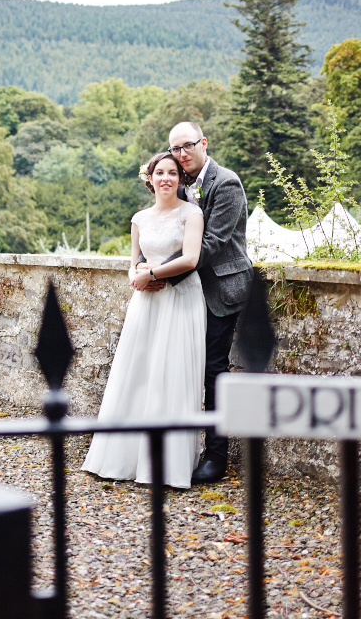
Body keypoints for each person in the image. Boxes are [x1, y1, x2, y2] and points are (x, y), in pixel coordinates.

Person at [81, 152, 207, 489]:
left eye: (172, 173)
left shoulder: (192, 214)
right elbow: (132, 261)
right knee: (137, 372)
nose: (166, 178)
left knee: (172, 372)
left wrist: (151, 272)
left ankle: (167, 464)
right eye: (159, 172)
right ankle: (125, 457)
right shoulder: (139, 218)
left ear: (181, 179)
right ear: (149, 179)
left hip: (180, 298)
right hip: (146, 299)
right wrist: (136, 275)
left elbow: (191, 259)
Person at [138, 122, 251, 484]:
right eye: (175, 150)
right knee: (179, 366)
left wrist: (159, 274)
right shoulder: (182, 184)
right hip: (187, 291)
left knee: (213, 371)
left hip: (221, 289)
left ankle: (216, 457)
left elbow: (210, 246)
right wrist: (145, 263)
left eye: (187, 146)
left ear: (203, 143)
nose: (182, 154)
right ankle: (175, 449)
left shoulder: (226, 183)